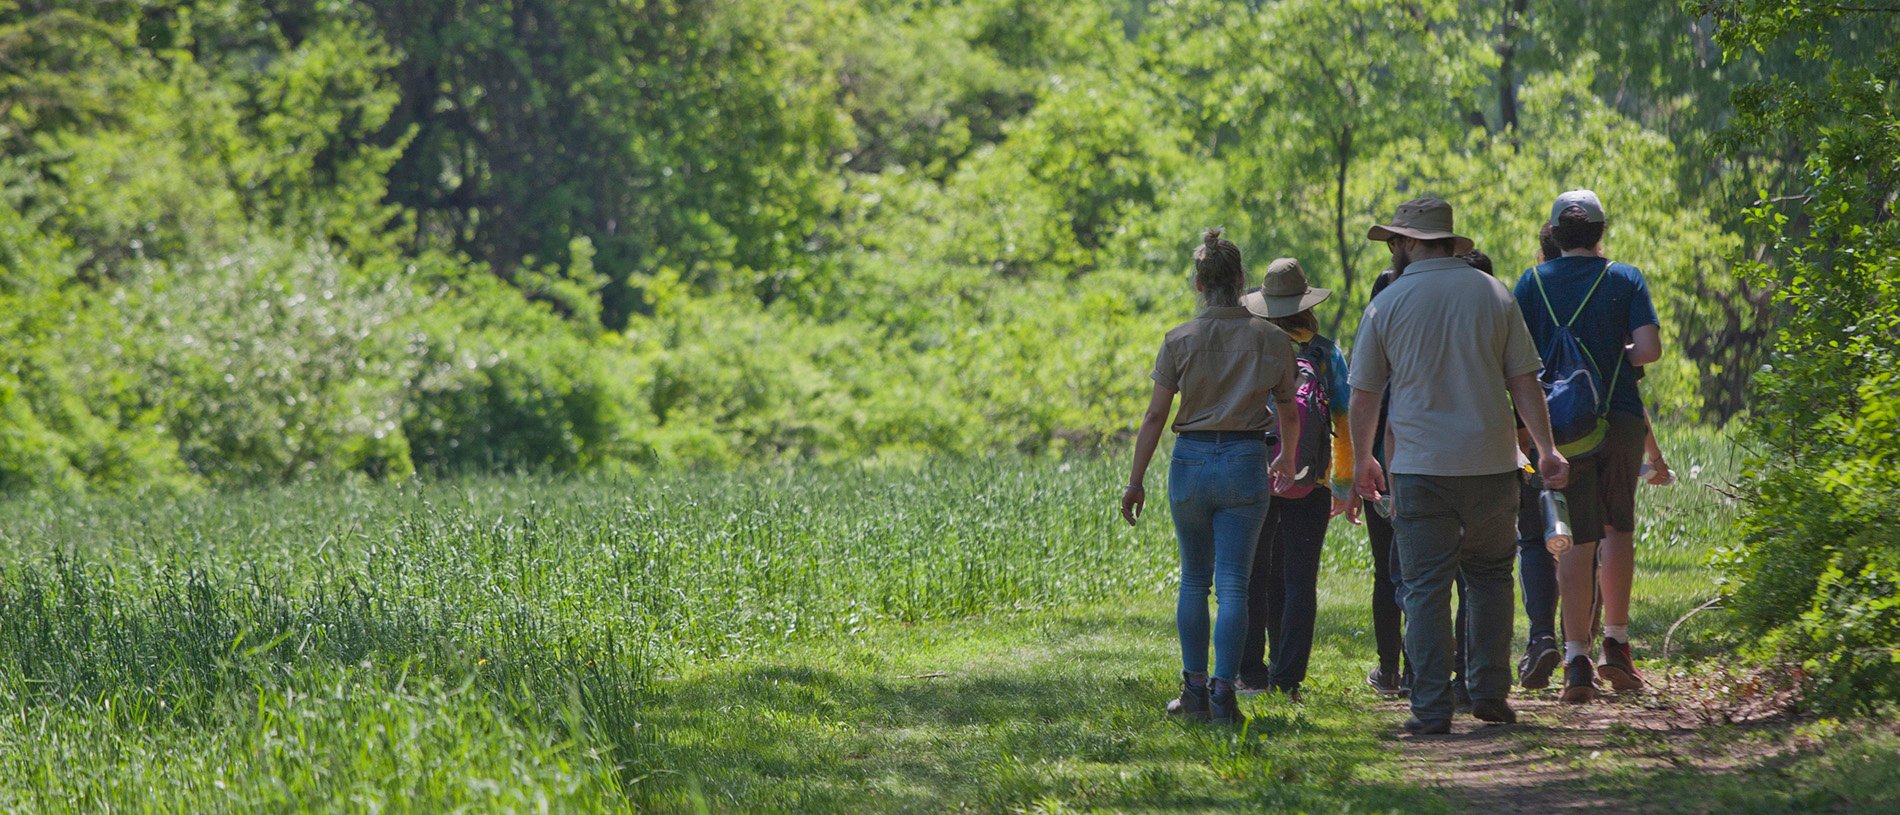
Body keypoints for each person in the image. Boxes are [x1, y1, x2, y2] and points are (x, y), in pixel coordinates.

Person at [1348, 197, 1569, 734]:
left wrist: (1361, 461)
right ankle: (1490, 693)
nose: (1393, 250)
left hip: (1421, 468)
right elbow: (1524, 380)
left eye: (1394, 241)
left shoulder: (1388, 303)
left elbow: (1365, 393)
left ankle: (1429, 709)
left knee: (1425, 587)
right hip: (1493, 464)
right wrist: (1545, 448)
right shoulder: (1494, 294)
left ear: (1405, 243)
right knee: (1491, 577)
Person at [1122, 228, 1301, 727]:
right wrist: (1286, 459)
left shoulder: (1179, 339)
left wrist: (1135, 481)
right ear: (1242, 281)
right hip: (1246, 463)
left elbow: (1155, 417)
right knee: (1235, 585)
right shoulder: (1271, 338)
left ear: (1199, 283)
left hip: (1191, 463)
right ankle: (1226, 694)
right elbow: (1289, 409)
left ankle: (1194, 690)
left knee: (1194, 580)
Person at [1512, 190, 1662, 703]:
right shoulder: (1624, 277)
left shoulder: (1531, 283)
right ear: (1600, 231)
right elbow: (1649, 350)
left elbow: (1517, 362)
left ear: (1553, 234)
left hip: (1560, 428)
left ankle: (1575, 658)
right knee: (1618, 527)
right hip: (1618, 417)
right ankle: (1615, 644)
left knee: (1573, 539)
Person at [1234, 258, 1356, 701]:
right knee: (1300, 580)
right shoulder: (1326, 352)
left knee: (1254, 574)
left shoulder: (1251, 346)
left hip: (1259, 474)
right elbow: (1344, 419)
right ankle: (1289, 679)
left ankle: (1250, 672)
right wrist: (1343, 485)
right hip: (1312, 481)